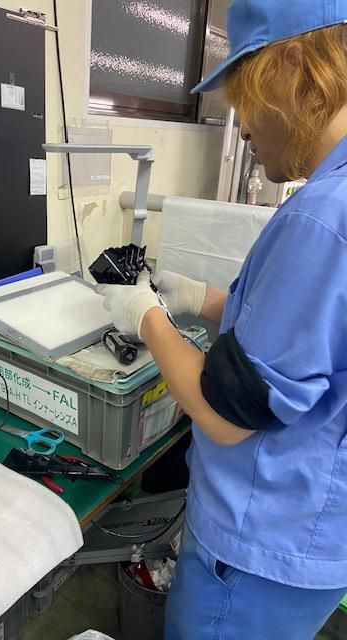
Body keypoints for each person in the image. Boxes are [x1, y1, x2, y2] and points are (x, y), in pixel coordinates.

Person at [96, 1, 347, 638]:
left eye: (244, 94)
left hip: (262, 540)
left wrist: (146, 316)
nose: (242, 123)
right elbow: (309, 343)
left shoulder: (324, 215)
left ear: (295, 66)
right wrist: (201, 297)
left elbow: (226, 413)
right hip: (313, 529)